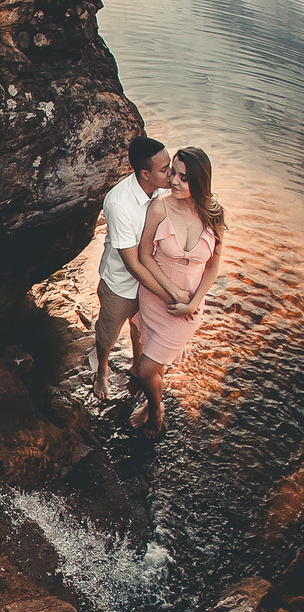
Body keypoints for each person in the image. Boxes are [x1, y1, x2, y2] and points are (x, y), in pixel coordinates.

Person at [129, 146, 226, 437]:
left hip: (189, 306)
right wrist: (172, 293)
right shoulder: (160, 207)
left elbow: (212, 267)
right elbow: (145, 255)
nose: (174, 181)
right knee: (153, 360)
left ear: (198, 181)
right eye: (173, 171)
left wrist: (193, 303)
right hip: (157, 294)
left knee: (147, 368)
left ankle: (156, 412)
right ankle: (154, 404)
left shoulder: (214, 215)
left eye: (183, 177)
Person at [92, 136, 174, 400]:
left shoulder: (162, 190)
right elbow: (132, 263)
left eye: (170, 165)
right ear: (144, 174)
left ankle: (139, 367)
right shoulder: (119, 203)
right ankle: (101, 370)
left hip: (149, 277)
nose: (171, 173)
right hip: (122, 283)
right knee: (108, 332)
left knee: (141, 331)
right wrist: (167, 294)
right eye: (165, 169)